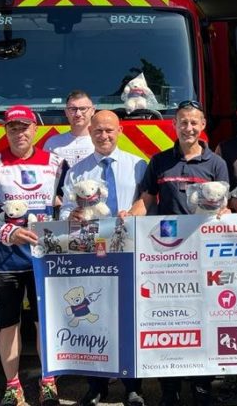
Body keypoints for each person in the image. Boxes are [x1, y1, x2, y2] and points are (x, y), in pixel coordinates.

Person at [122, 99, 229, 406]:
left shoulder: (216, 164)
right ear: (175, 125)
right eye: (183, 122)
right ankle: (169, 389)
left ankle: (202, 386)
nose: (188, 127)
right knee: (168, 322)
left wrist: (225, 212)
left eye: (194, 122)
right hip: (165, 254)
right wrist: (129, 217)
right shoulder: (159, 161)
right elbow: (146, 200)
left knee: (202, 320)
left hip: (203, 253)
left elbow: (223, 205)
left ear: (203, 125)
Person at [0, 106, 66, 406]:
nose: (19, 133)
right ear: (6, 131)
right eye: (13, 128)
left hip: (44, 257)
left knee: (44, 322)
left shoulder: (56, 163)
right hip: (5, 260)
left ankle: (48, 381)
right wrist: (6, 232)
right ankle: (13, 386)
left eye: (24, 127)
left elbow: (68, 204)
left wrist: (66, 222)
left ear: (35, 129)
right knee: (8, 324)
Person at [61, 110, 148, 406]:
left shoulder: (138, 165)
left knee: (129, 317)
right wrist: (71, 215)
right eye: (98, 130)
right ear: (90, 132)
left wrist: (134, 211)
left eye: (109, 130)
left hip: (128, 250)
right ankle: (96, 386)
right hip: (91, 253)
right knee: (94, 317)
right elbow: (64, 210)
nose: (104, 135)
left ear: (120, 131)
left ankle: (132, 386)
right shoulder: (77, 171)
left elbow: (147, 202)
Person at [44, 90, 96, 166]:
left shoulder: (102, 141)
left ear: (92, 111)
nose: (78, 114)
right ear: (66, 112)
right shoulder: (52, 143)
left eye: (83, 109)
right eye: (73, 109)